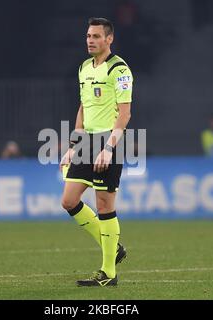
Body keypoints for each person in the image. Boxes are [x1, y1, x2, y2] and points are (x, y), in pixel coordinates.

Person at [59, 18, 133, 287]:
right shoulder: (84, 68)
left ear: (109, 39)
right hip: (86, 141)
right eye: (88, 35)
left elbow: (124, 114)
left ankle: (108, 272)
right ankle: (114, 249)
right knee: (68, 201)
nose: (90, 40)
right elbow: (83, 108)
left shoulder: (120, 70)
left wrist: (109, 148)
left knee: (104, 205)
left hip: (109, 141)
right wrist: (73, 146)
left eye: (96, 36)